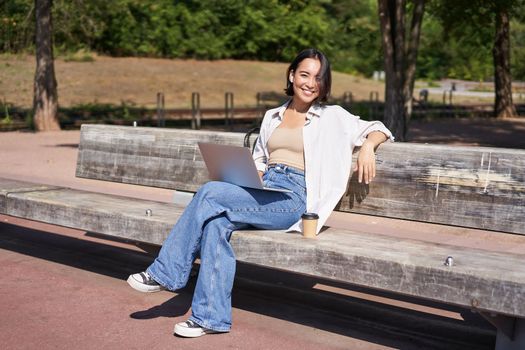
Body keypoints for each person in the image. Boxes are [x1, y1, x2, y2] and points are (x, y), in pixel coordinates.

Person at [127, 48, 393, 338]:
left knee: (209, 193)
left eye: (318, 78)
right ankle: (209, 318)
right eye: (304, 75)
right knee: (216, 224)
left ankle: (166, 273)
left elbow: (378, 128)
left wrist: (367, 147)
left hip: (294, 200)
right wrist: (254, 173)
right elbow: (261, 160)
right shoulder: (273, 116)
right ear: (292, 76)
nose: (310, 83)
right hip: (265, 192)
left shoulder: (331, 116)